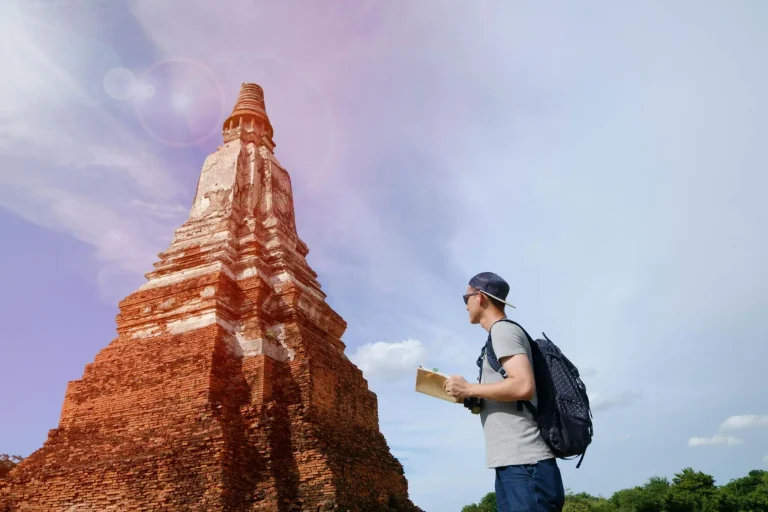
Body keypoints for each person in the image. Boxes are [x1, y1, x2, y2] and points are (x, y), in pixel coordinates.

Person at [443, 271, 565, 512]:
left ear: (480, 297)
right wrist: (469, 395)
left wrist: (468, 387)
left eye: (465, 297)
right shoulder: (496, 335)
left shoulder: (503, 331)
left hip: (526, 465)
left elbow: (522, 385)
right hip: (515, 465)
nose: (465, 305)